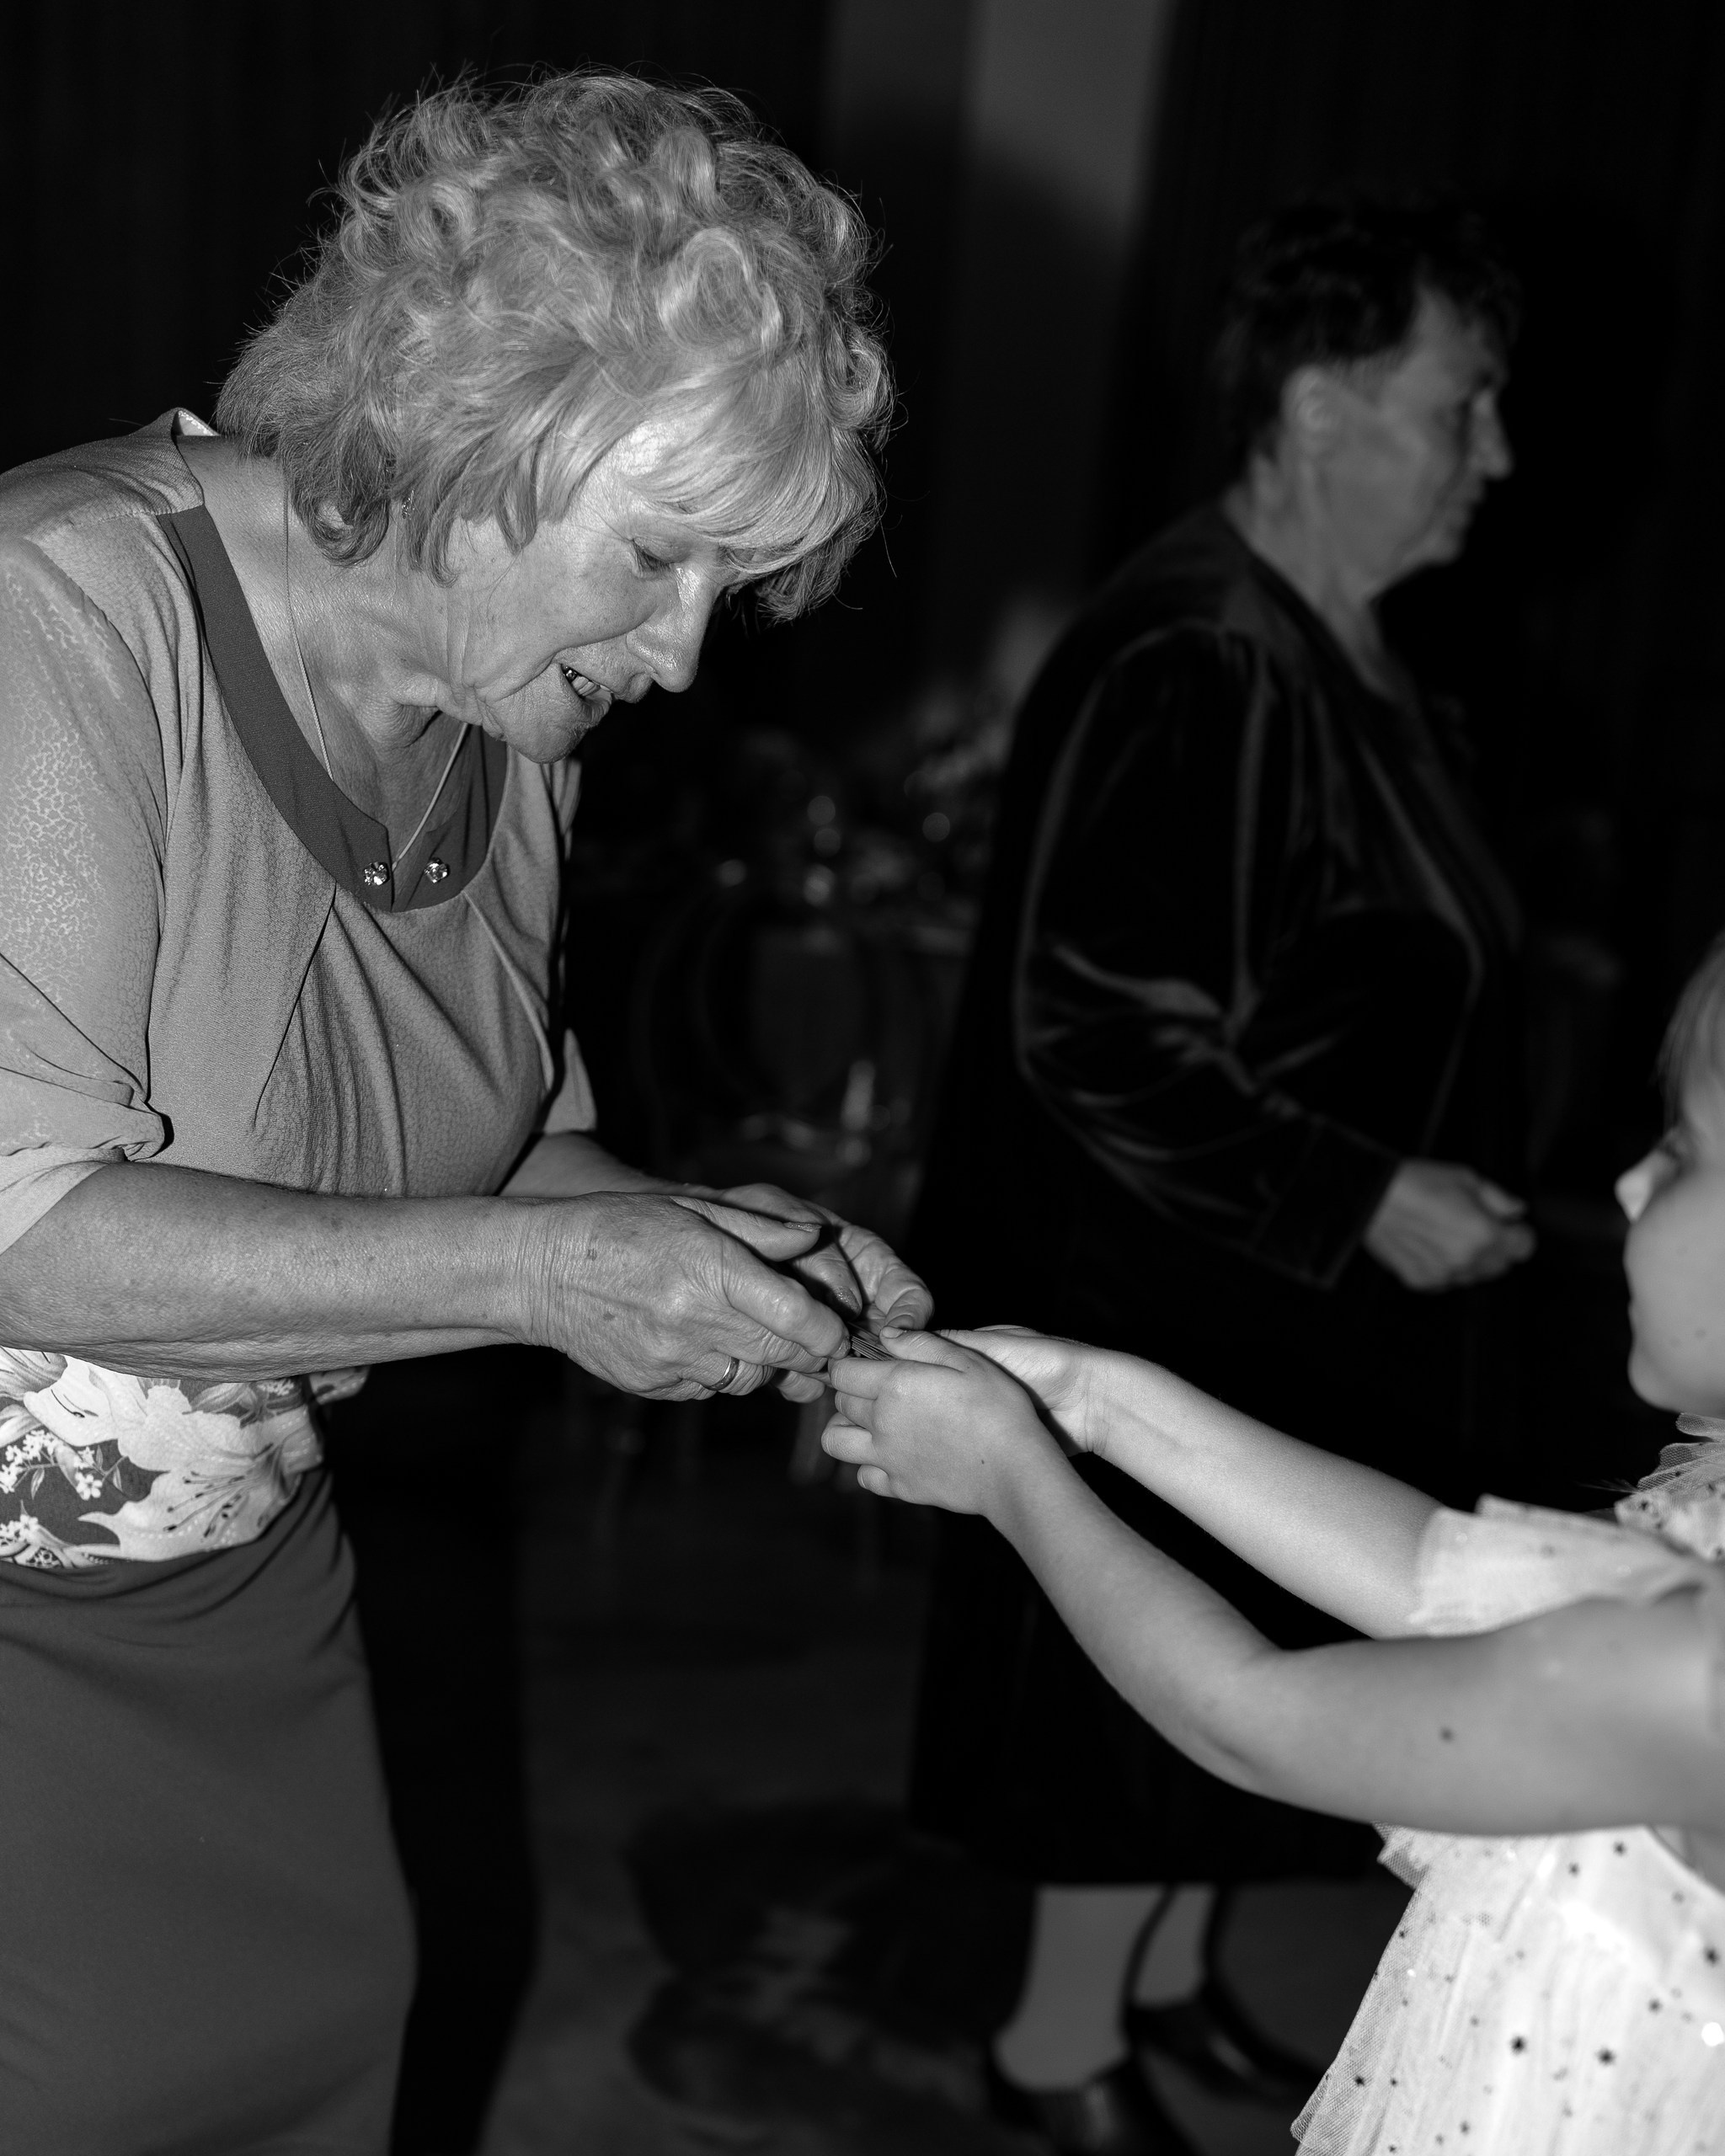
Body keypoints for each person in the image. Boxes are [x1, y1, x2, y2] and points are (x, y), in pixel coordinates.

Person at [0, 73, 927, 2155]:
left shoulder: (513, 711)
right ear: (472, 440)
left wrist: (705, 1234)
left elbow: (483, 1143)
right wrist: (541, 1279)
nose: (689, 655)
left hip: (236, 1570)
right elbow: (23, 1216)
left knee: (322, 2031)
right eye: (667, 555)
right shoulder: (54, 618)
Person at [904, 195, 1531, 2152]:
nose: (1494, 454)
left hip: (1282, 1293)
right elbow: (1088, 1027)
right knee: (1144, 1694)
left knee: (1248, 1679)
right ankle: (1056, 2051)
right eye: (1465, 403)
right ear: (1324, 404)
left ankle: (1163, 1986)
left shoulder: (1334, 643)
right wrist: (1358, 1189)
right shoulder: (1194, 648)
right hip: (1172, 1283)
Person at [821, 923, 1725, 2156]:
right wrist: (1092, 1400)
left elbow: (1246, 1716)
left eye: (1682, 1152)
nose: (1628, 1181)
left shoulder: (1700, 1681)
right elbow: (1442, 1578)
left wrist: (1012, 1479)